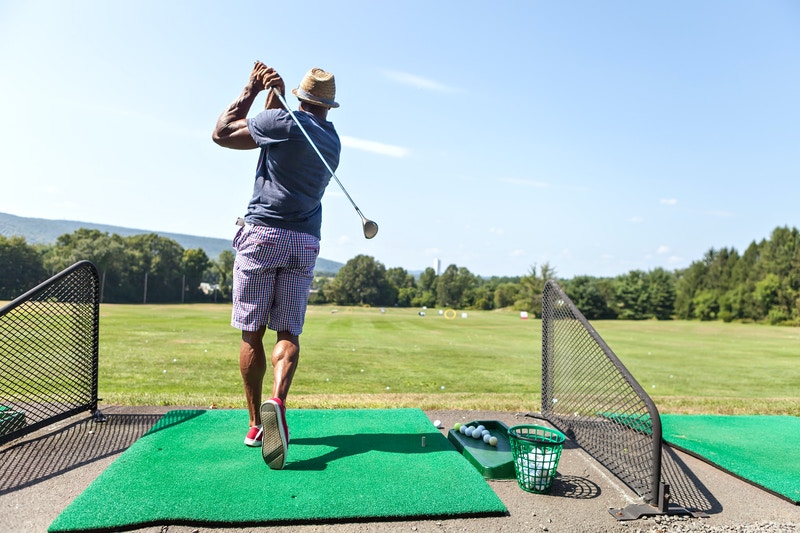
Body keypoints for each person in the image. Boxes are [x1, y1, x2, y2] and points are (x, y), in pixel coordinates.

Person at [212, 61, 341, 469]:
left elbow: (222, 134)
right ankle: (278, 401)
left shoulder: (286, 123)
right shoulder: (332, 139)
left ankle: (255, 425)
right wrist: (276, 98)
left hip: (263, 235)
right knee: (288, 331)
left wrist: (251, 88)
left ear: (302, 99)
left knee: (252, 334)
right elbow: (273, 133)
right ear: (328, 106)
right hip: (304, 241)